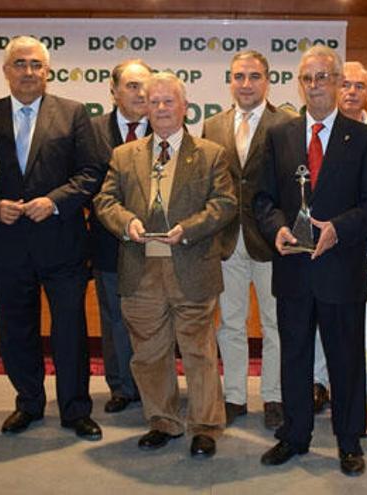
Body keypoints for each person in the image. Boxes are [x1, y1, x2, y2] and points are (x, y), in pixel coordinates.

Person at [254, 45, 367, 477]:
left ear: (337, 81)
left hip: (341, 268)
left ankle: (349, 442)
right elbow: (261, 198)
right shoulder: (279, 135)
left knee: (345, 358)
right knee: (293, 356)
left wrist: (339, 229)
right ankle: (295, 435)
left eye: (323, 77)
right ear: (300, 84)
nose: (315, 86)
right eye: (307, 79)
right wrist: (276, 228)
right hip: (292, 268)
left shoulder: (365, 138)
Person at [94, 72, 236, 459]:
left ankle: (205, 426)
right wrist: (126, 223)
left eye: (168, 101)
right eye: (153, 102)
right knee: (148, 354)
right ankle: (163, 421)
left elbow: (224, 204)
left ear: (184, 107)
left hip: (192, 267)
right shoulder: (125, 155)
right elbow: (104, 201)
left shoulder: (211, 153)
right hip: (140, 272)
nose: (160, 109)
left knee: (200, 352)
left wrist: (187, 229)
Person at [0, 36, 106, 439]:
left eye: (36, 64)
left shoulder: (73, 114)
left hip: (62, 242)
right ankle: (29, 403)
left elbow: (91, 173)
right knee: (16, 330)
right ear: (6, 71)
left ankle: (75, 409)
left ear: (47, 71)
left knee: (69, 330)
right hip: (7, 243)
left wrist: (53, 202)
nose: (29, 72)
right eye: (20, 63)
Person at [202, 50, 294, 430]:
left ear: (267, 80)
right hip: (226, 241)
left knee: (275, 325)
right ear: (230, 81)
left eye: (254, 76)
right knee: (231, 323)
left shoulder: (288, 122)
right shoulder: (212, 125)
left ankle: (273, 396)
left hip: (272, 241)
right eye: (239, 76)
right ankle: (234, 397)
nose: (245, 84)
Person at [307, 60, 367, 413]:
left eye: (359, 86)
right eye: (345, 84)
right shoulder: (317, 130)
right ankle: (319, 384)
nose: (351, 91)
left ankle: (358, 390)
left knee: (355, 324)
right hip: (322, 243)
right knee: (319, 319)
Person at [89, 59, 152, 414]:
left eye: (145, 85)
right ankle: (121, 387)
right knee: (114, 317)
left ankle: (153, 385)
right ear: (113, 92)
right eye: (131, 86)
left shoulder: (166, 127)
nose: (140, 92)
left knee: (154, 317)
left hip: (156, 243)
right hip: (108, 240)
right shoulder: (92, 129)